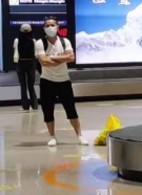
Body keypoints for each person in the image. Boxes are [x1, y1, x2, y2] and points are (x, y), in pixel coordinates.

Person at [35, 18, 87, 146]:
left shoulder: (65, 41)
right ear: (44, 28)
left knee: (71, 110)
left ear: (58, 26)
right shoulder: (40, 43)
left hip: (64, 80)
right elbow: (44, 62)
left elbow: (71, 57)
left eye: (53, 25)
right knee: (48, 110)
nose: (50, 27)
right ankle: (52, 136)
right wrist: (62, 59)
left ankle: (79, 136)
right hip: (47, 81)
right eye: (47, 25)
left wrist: (52, 58)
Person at [13, 24, 39, 111]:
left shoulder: (32, 41)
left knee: (26, 85)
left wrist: (15, 61)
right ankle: (30, 105)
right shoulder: (18, 40)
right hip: (26, 63)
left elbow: (16, 52)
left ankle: (30, 105)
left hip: (26, 62)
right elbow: (16, 51)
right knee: (26, 85)